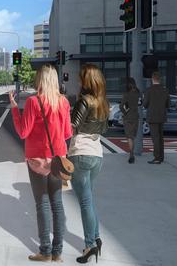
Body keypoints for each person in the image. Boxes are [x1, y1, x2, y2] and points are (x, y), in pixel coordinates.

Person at [10, 64, 72, 263]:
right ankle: (57, 252)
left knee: (42, 205)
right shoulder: (63, 102)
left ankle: (45, 251)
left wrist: (13, 109)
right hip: (58, 161)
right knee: (58, 205)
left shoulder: (33, 102)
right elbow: (67, 134)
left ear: (40, 80)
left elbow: (22, 132)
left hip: (37, 160)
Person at [69, 64, 109, 263]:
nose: (78, 81)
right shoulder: (103, 102)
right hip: (97, 154)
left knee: (85, 202)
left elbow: (72, 126)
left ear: (85, 81)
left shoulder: (84, 101)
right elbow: (105, 128)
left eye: (80, 78)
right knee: (89, 200)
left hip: (81, 153)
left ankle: (90, 245)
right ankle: (96, 238)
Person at [143, 71, 170, 164]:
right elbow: (168, 104)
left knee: (155, 138)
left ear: (152, 79)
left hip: (152, 117)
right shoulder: (165, 90)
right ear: (160, 79)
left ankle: (157, 158)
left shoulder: (148, 90)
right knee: (161, 138)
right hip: (162, 116)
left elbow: (145, 104)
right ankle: (161, 157)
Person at [120, 77, 140, 163]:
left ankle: (131, 154)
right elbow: (141, 103)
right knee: (133, 137)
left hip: (128, 117)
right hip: (136, 116)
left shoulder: (126, 94)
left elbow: (121, 106)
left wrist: (125, 112)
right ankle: (132, 154)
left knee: (129, 137)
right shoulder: (139, 93)